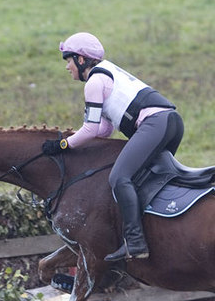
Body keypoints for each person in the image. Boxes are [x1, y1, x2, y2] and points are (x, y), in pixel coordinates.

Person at [42, 32, 184, 262]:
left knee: (120, 178)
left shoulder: (94, 82)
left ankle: (136, 243)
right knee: (143, 180)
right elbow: (103, 130)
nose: (67, 67)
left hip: (155, 124)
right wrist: (73, 138)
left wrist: (62, 144)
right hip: (171, 123)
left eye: (68, 60)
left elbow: (90, 130)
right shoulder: (107, 74)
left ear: (81, 59)